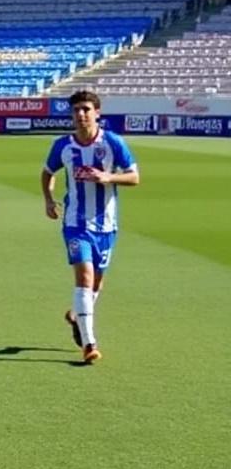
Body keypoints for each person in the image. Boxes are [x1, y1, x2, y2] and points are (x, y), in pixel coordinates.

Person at [41, 90, 140, 364]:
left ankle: (76, 316)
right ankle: (89, 342)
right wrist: (49, 200)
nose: (81, 115)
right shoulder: (63, 145)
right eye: (76, 110)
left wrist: (108, 177)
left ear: (97, 112)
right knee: (84, 277)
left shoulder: (112, 142)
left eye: (86, 109)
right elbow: (48, 172)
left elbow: (134, 176)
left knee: (97, 281)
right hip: (75, 223)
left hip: (107, 225)